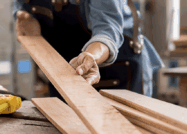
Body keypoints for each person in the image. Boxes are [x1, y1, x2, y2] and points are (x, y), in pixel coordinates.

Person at [13, 0, 164, 99]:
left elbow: (107, 31)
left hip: (118, 66)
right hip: (66, 66)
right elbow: (19, 5)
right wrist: (24, 17)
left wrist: (90, 56)